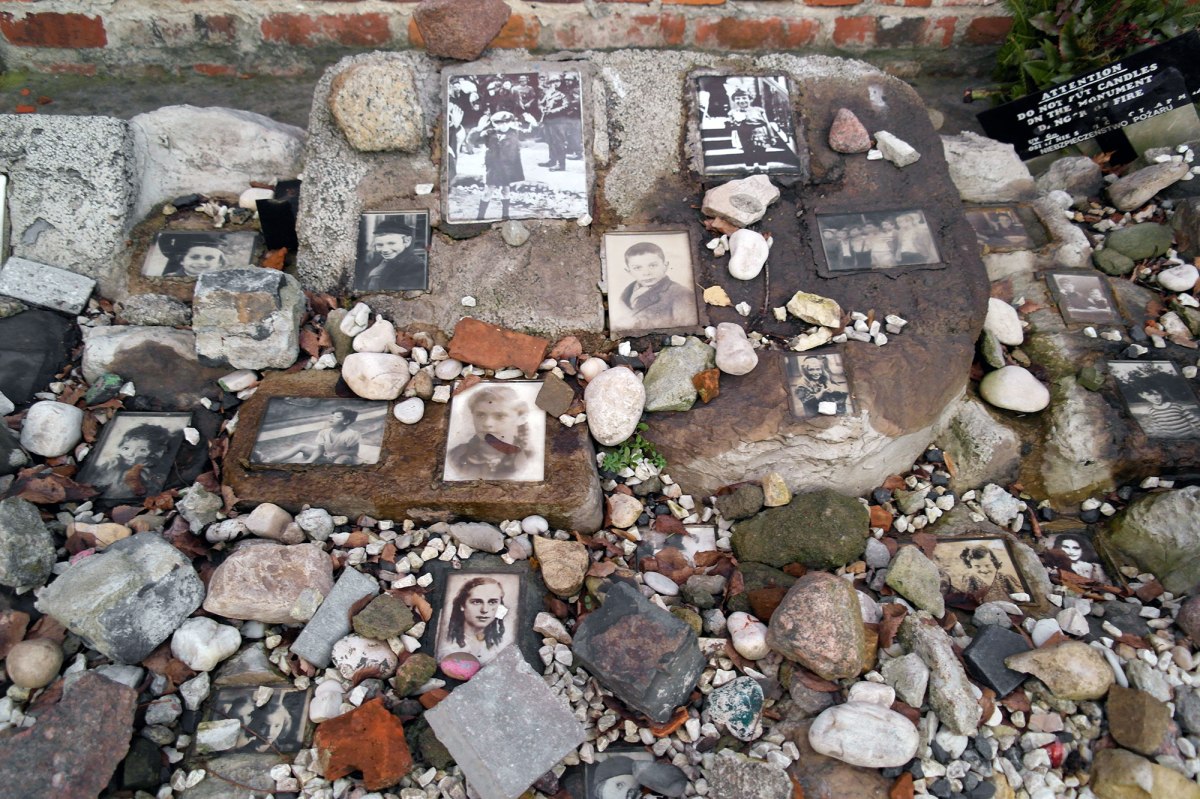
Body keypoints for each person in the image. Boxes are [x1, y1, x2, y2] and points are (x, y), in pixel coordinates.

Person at [447, 385, 534, 479]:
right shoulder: (455, 456)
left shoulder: (530, 460)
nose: (487, 423)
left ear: (520, 419)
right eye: (480, 415)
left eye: (500, 416)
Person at [616, 242, 697, 330]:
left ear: (665, 266)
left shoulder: (682, 294)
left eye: (652, 265)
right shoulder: (626, 294)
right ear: (629, 271)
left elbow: (687, 330)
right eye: (637, 268)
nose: (646, 273)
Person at [85, 423, 175, 499]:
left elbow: (149, 492)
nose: (130, 454)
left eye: (142, 450)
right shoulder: (110, 466)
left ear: (153, 454)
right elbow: (92, 483)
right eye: (126, 448)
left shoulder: (149, 473)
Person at [473, 110, 531, 220]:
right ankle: (480, 217)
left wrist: (533, 123)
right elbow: (472, 140)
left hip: (507, 167)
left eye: (507, 122)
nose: (504, 125)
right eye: (500, 123)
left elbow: (532, 133)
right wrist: (479, 129)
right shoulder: (489, 133)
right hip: (493, 167)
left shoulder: (515, 132)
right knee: (487, 191)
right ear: (495, 124)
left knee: (506, 190)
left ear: (511, 122)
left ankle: (505, 216)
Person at [439, 576, 510, 664]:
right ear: (462, 605)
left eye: (492, 602)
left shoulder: (500, 646)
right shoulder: (447, 646)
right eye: (476, 602)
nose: (484, 610)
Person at [274, 408, 363, 465]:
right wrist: (310, 461)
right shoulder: (324, 432)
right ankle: (271, 461)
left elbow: (354, 451)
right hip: (325, 455)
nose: (331, 418)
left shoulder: (351, 434)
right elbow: (320, 450)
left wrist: (339, 453)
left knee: (342, 459)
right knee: (302, 446)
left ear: (346, 422)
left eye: (337, 417)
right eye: (331, 416)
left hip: (342, 456)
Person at [358, 217, 424, 291]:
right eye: (379, 245)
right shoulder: (379, 260)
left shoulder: (416, 266)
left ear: (407, 241)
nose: (385, 250)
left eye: (391, 243)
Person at [948, 545, 1022, 595]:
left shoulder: (1006, 578)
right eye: (977, 566)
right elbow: (965, 598)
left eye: (987, 565)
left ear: (994, 563)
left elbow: (1021, 595)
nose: (983, 570)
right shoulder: (970, 579)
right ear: (970, 565)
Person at [1135, 386, 1200, 438]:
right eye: (1149, 395)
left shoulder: (1175, 406)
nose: (1155, 398)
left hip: (1188, 436)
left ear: (1162, 393)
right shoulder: (1152, 410)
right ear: (1143, 396)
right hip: (1172, 440)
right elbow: (1157, 424)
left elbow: (1193, 419)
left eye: (1156, 394)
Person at [159, 233, 229, 277]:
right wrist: (173, 255)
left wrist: (216, 247)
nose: (201, 262)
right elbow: (164, 238)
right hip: (182, 256)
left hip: (211, 252)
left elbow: (223, 238)